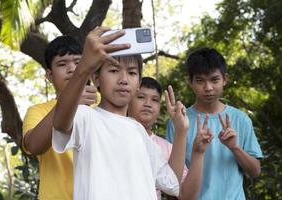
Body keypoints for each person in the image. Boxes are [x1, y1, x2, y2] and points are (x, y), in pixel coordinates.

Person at [52, 27, 213, 200]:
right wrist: (83, 67)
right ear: (96, 78)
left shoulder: (139, 132)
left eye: (132, 73)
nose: (123, 79)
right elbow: (60, 124)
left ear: (138, 83)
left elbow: (172, 183)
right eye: (113, 71)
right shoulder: (85, 117)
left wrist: (181, 132)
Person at [166, 47, 263, 199]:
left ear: (225, 79)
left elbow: (255, 171)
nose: (208, 88)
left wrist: (235, 148)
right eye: (200, 81)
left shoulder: (241, 119)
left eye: (214, 80)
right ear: (190, 82)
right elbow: (171, 181)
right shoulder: (178, 123)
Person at [22, 35, 97, 200]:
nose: (72, 69)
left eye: (78, 63)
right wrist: (69, 101)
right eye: (62, 64)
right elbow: (33, 145)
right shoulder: (37, 111)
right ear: (49, 75)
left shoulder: (103, 106)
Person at [128, 76, 215, 200]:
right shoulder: (113, 133)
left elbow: (184, 196)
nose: (148, 104)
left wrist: (198, 152)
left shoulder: (167, 148)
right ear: (128, 99)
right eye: (141, 97)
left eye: (155, 100)